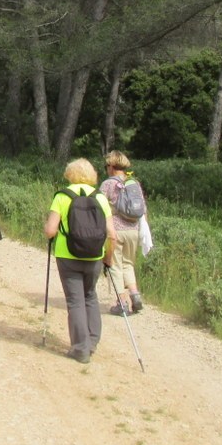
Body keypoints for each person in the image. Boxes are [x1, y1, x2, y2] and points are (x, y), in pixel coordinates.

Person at [44, 157, 116, 364]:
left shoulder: (62, 196)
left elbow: (50, 231)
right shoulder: (100, 198)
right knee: (90, 296)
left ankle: (80, 348)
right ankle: (92, 342)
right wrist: (107, 259)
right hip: (95, 255)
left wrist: (50, 232)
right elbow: (112, 234)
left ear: (70, 174)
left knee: (75, 301)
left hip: (67, 255)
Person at [100, 150, 145, 315]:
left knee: (114, 265)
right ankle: (135, 295)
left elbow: (100, 207)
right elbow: (143, 209)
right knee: (128, 264)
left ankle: (122, 303)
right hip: (133, 230)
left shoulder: (107, 184)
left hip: (115, 231)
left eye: (107, 165)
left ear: (111, 166)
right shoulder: (133, 183)